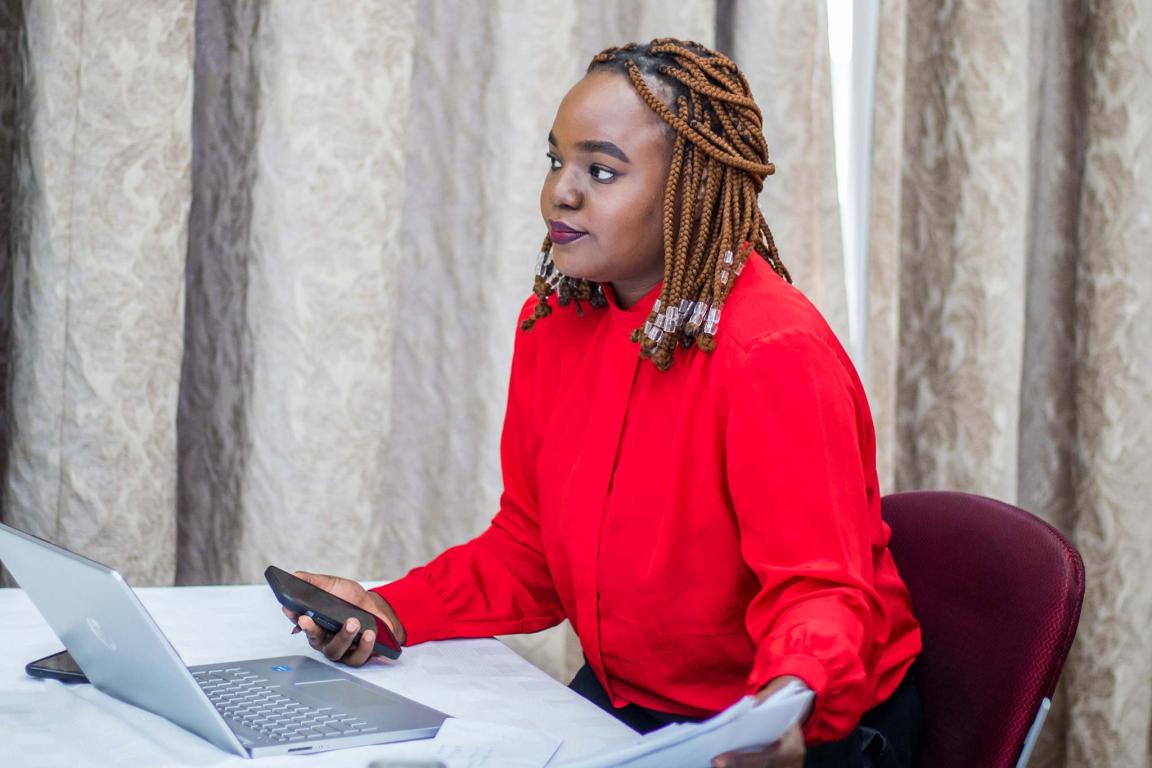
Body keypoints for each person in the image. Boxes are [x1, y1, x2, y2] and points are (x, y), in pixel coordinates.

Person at [285, 39, 922, 768]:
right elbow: (530, 549)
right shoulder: (554, 323)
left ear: (688, 188)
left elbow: (818, 591)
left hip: (794, 730)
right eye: (557, 161)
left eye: (602, 170)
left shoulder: (771, 352)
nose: (563, 190)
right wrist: (387, 607)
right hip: (635, 707)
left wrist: (784, 706)